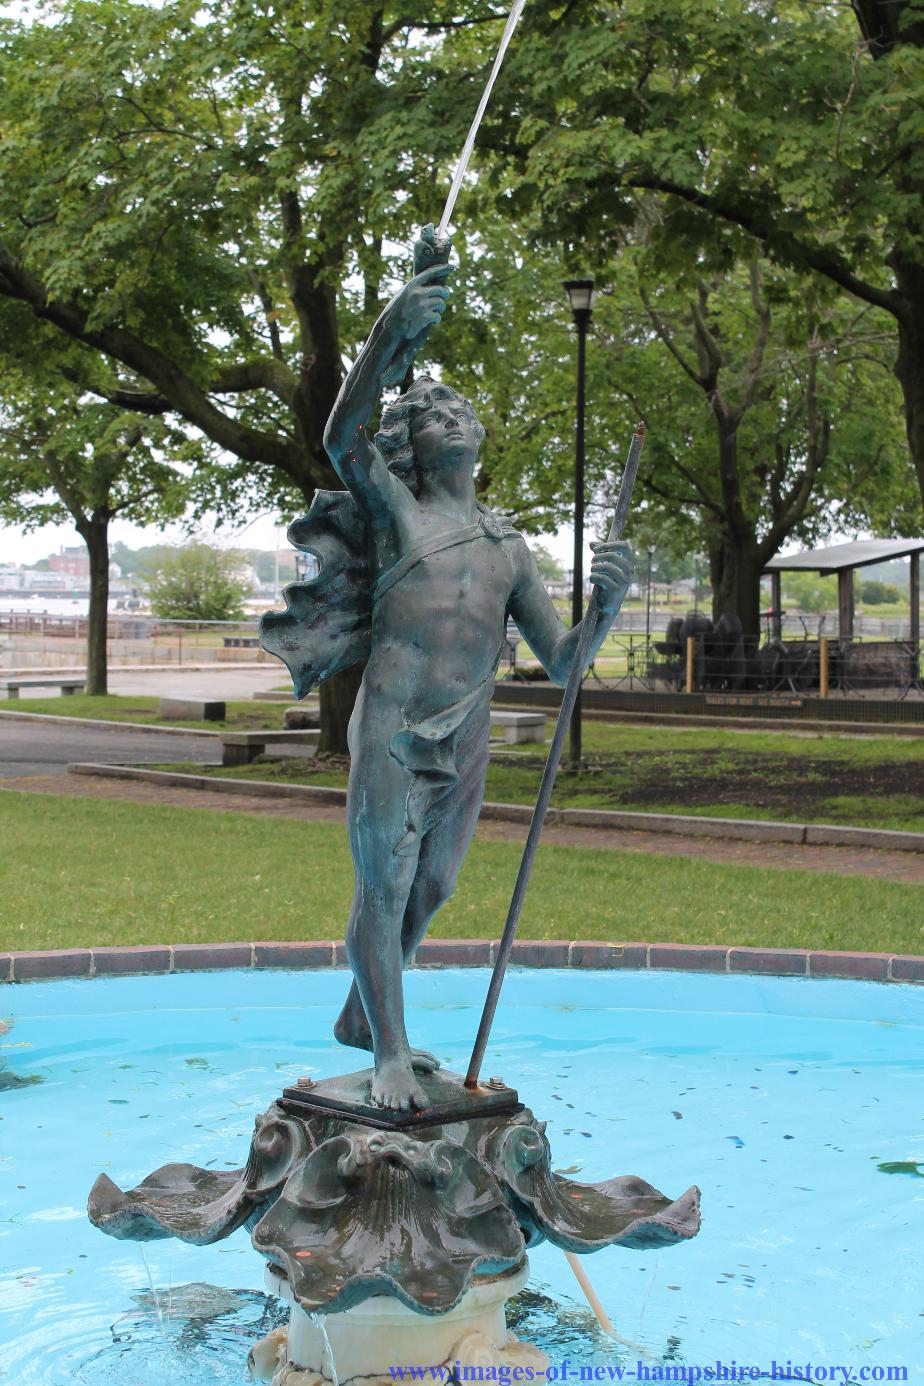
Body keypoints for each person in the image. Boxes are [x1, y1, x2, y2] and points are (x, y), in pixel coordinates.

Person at [269, 235, 634, 1111]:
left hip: (465, 727)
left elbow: (565, 661)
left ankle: (366, 1014)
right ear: (415, 449)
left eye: (464, 412)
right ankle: (389, 1050)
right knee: (384, 880)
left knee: (433, 886)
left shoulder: (509, 548)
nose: (455, 420)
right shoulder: (396, 513)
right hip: (395, 723)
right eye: (435, 417)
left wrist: (608, 608)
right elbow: (339, 434)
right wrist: (392, 330)